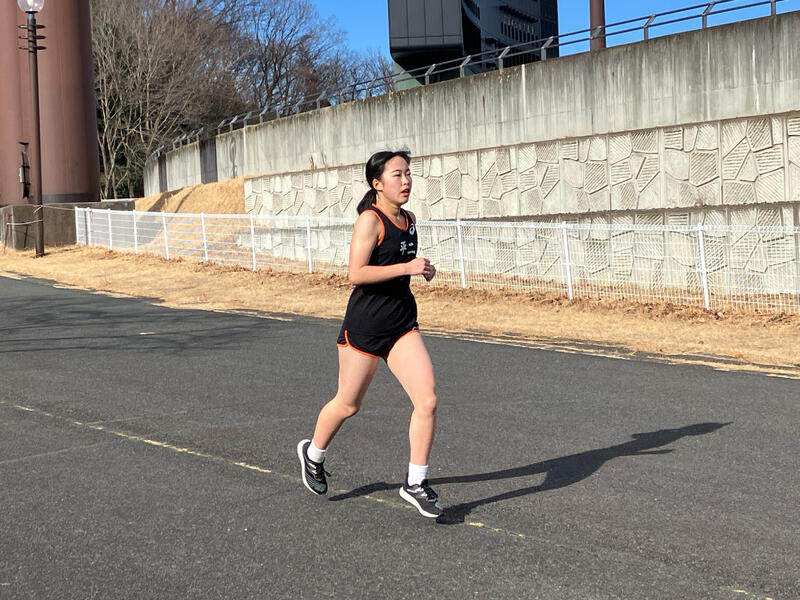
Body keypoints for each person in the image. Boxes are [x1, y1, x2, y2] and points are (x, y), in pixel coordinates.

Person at [297, 150, 443, 518]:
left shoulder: (409, 220)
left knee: (427, 400)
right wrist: (406, 267)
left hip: (401, 324)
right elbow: (356, 273)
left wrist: (421, 269)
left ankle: (415, 483)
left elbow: (399, 266)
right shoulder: (370, 221)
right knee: (348, 404)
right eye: (397, 175)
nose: (406, 181)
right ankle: (313, 454)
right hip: (365, 327)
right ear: (377, 184)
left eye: (408, 173)